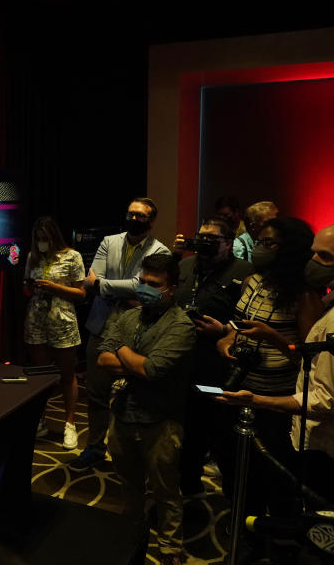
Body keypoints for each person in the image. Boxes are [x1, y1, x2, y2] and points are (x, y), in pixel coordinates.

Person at [218, 223, 334, 510]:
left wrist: (257, 400)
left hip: (331, 444)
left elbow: (325, 400)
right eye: (313, 254)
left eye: (325, 257)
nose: (314, 263)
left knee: (323, 522)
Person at [213, 218, 323, 532]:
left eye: (269, 243)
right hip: (240, 386)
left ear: (289, 250)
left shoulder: (304, 295)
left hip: (276, 400)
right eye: (259, 241)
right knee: (236, 465)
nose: (260, 249)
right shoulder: (254, 281)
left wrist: (272, 336)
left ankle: (275, 536)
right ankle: (245, 522)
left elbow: (308, 354)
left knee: (273, 473)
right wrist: (226, 344)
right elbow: (234, 328)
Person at [95, 252, 196, 565]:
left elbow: (150, 370)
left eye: (155, 285)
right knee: (130, 485)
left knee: (166, 490)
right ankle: (132, 537)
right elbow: (102, 358)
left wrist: (122, 349)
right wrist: (134, 360)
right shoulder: (128, 316)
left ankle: (170, 548)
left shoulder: (181, 326)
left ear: (172, 288)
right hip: (123, 415)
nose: (145, 289)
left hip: (160, 421)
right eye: (143, 282)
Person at [70, 197, 170, 471]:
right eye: (130, 214)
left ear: (151, 221)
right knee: (96, 392)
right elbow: (91, 280)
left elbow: (141, 287)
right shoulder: (109, 241)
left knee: (137, 393)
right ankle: (94, 447)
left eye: (140, 216)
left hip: (137, 326)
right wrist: (117, 288)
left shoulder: (159, 250)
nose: (134, 219)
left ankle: (134, 453)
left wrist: (103, 284)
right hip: (101, 324)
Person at [171, 217, 252, 494]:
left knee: (223, 437)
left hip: (222, 367)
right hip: (183, 362)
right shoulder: (184, 265)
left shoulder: (246, 272)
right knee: (188, 434)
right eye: (201, 236)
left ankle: (234, 500)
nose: (204, 242)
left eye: (212, 239)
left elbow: (254, 321)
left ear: (229, 244)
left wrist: (223, 330)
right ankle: (190, 488)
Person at [23, 216, 86, 449]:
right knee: (41, 377)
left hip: (63, 321)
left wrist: (56, 287)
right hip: (36, 320)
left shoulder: (73, 256)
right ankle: (41, 419)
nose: (42, 243)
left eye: (45, 239)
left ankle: (70, 424)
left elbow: (81, 294)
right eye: (38, 239)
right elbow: (25, 289)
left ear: (54, 237)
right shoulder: (32, 257)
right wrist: (30, 288)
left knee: (67, 375)